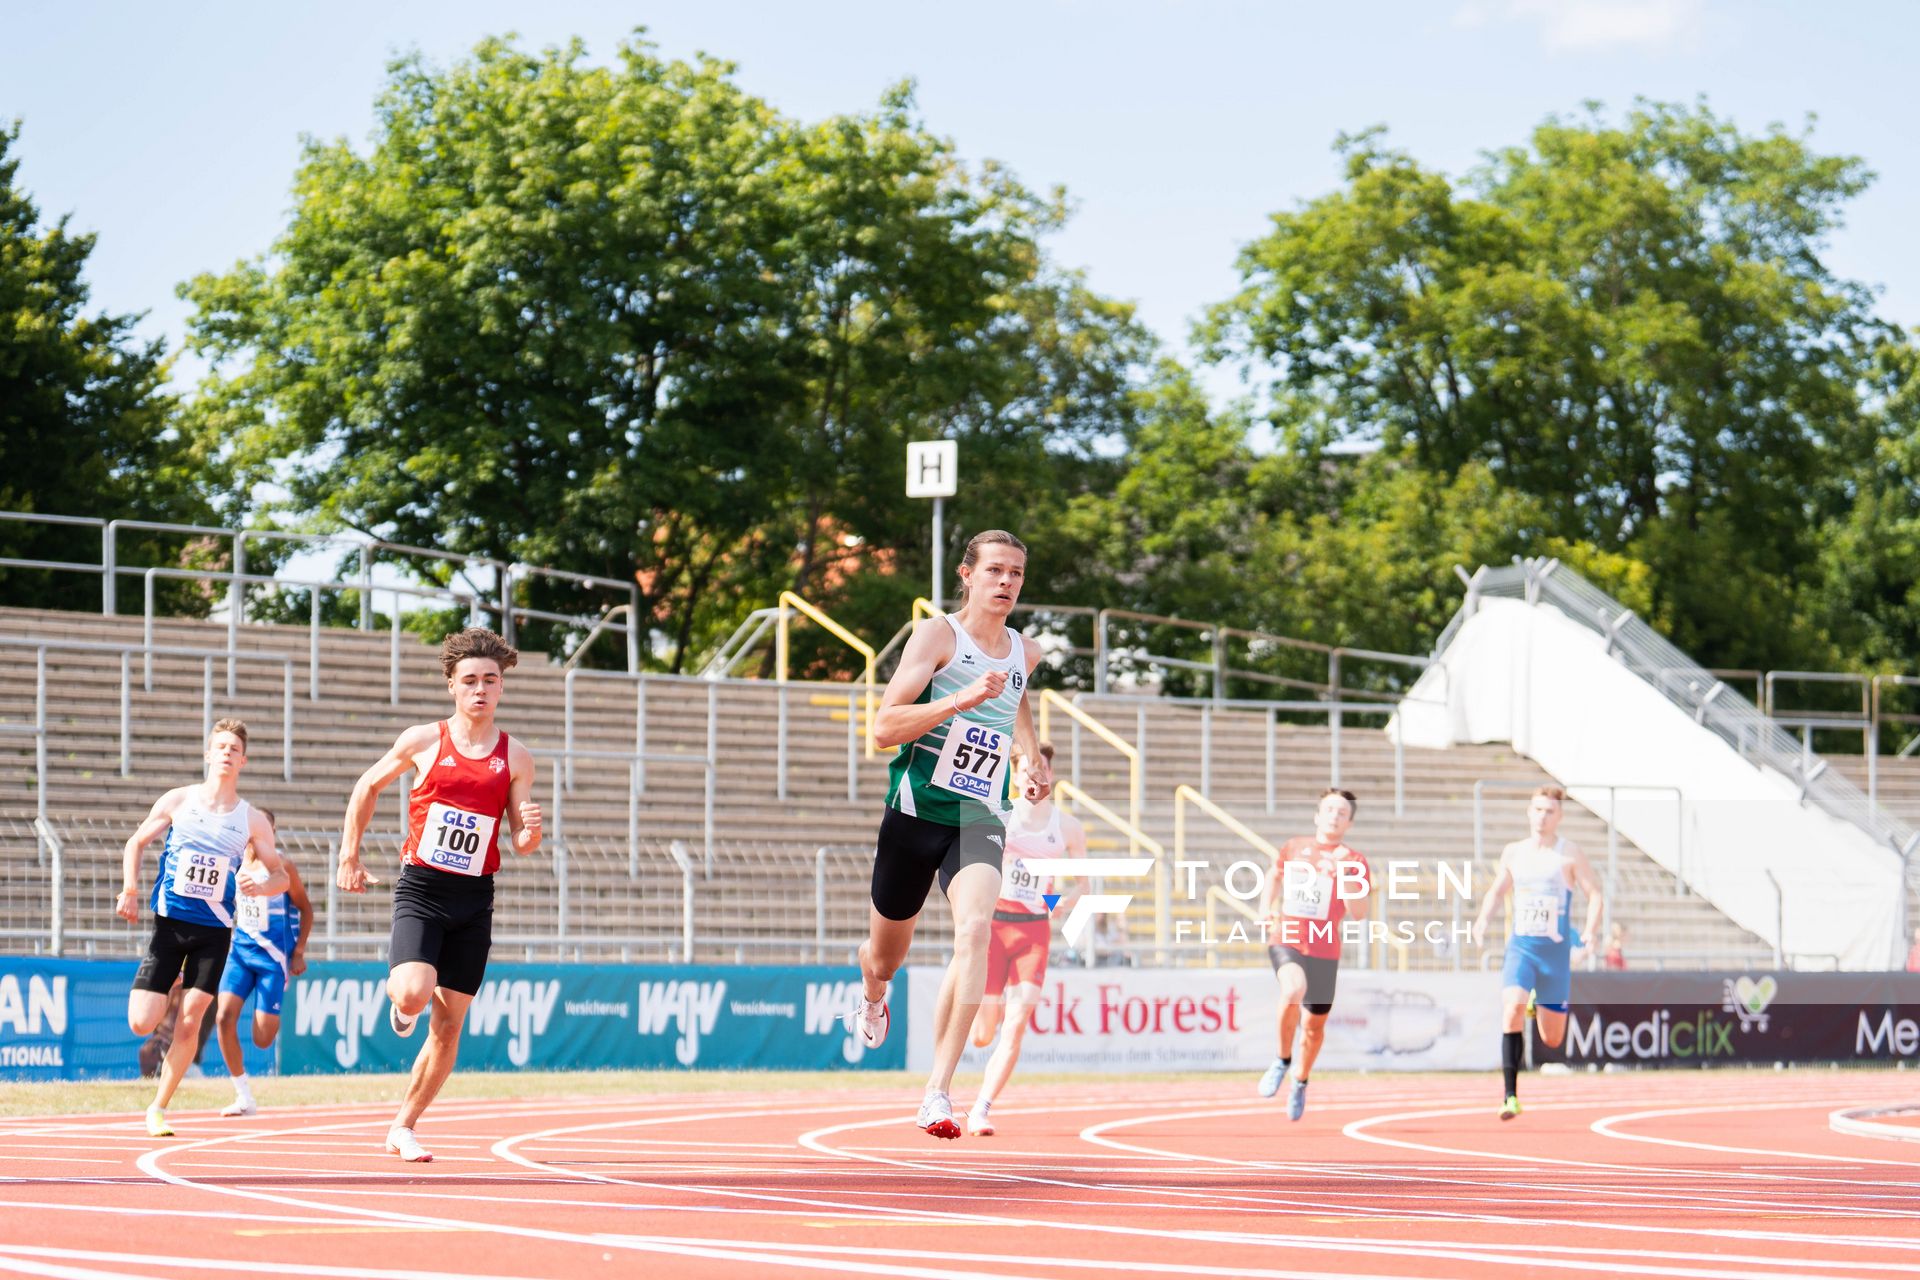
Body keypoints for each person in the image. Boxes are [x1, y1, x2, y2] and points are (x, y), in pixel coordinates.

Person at [849, 530, 1049, 1139]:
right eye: (994, 570)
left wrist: (1031, 758)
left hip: (979, 813)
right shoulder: (938, 636)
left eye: (1015, 572)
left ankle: (937, 1092)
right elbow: (885, 727)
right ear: (967, 575)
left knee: (974, 931)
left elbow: (1015, 702)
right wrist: (959, 698)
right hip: (915, 812)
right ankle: (873, 993)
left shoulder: (1026, 651)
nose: (1006, 582)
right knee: (885, 957)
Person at [336, 628, 542, 1162]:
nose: (480, 690)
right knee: (411, 991)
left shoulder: (516, 756)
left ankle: (403, 1125)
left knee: (450, 1025)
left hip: (475, 898)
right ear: (451, 685)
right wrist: (349, 856)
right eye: (469, 680)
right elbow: (367, 786)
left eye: (490, 681)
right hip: (423, 888)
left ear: (501, 689)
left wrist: (530, 835)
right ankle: (404, 1007)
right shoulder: (424, 741)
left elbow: (519, 840)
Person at [116, 719, 285, 1137]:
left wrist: (262, 884)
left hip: (214, 933)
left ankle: (158, 1108)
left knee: (190, 1022)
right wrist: (130, 890)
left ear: (243, 760)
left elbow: (280, 876)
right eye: (220, 746)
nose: (227, 752)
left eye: (234, 748)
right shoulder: (179, 801)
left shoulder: (251, 820)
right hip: (170, 927)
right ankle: (169, 982)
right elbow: (135, 843)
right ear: (208, 754)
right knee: (141, 1021)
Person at [964, 742, 1085, 1137]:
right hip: (995, 927)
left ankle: (981, 1108)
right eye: (1029, 769)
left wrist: (1060, 902)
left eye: (1043, 769)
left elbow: (1081, 883)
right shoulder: (999, 814)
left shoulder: (1067, 827)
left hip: (1034, 932)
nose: (1036, 776)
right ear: (1015, 775)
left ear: (1050, 775)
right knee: (984, 1032)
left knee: (1016, 1025)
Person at [1472, 786, 1606, 1120]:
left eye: (1549, 811)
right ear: (1528, 812)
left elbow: (1596, 895)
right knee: (1510, 1010)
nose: (1542, 817)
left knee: (1552, 1037)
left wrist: (1589, 932)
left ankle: (1536, 1002)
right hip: (1522, 949)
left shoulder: (1569, 853)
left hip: (1555, 956)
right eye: (1537, 809)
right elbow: (1497, 890)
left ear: (1559, 816)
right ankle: (1510, 1096)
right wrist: (1482, 921)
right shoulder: (1514, 852)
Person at [1255, 788, 1370, 1121]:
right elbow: (1274, 876)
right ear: (1317, 815)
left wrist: (1346, 875)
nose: (1335, 815)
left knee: (1314, 1028)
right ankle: (1281, 1059)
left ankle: (1301, 1080)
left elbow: (1359, 912)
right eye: (1330, 809)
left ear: (1348, 823)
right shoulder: (1294, 847)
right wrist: (1265, 908)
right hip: (1287, 937)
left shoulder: (1354, 860)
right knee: (1292, 989)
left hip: (1325, 947)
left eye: (1342, 812)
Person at [215, 809, 312, 1117]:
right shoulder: (233, 864)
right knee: (223, 1018)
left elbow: (306, 909)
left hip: (273, 959)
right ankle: (243, 1094)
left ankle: (271, 1010)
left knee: (262, 1039)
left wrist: (298, 952)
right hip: (240, 953)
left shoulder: (283, 867)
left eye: (264, 832)